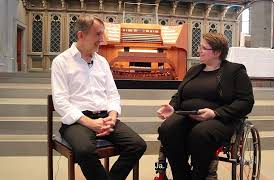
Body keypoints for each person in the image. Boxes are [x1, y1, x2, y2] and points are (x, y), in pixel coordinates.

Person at [51, 15, 146, 180]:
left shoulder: (102, 62)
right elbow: (60, 101)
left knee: (137, 145)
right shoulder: (61, 62)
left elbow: (112, 94)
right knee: (85, 151)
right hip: (77, 121)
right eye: (98, 34)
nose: (102, 39)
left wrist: (113, 115)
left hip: (105, 117)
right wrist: (90, 123)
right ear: (81, 35)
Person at [157, 32, 254, 180]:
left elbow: (246, 102)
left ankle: (199, 176)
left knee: (200, 133)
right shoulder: (194, 70)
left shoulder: (235, 71)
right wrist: (173, 107)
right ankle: (182, 175)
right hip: (187, 115)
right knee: (167, 129)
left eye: (203, 48)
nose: (198, 50)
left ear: (217, 52)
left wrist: (215, 113)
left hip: (219, 119)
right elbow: (179, 95)